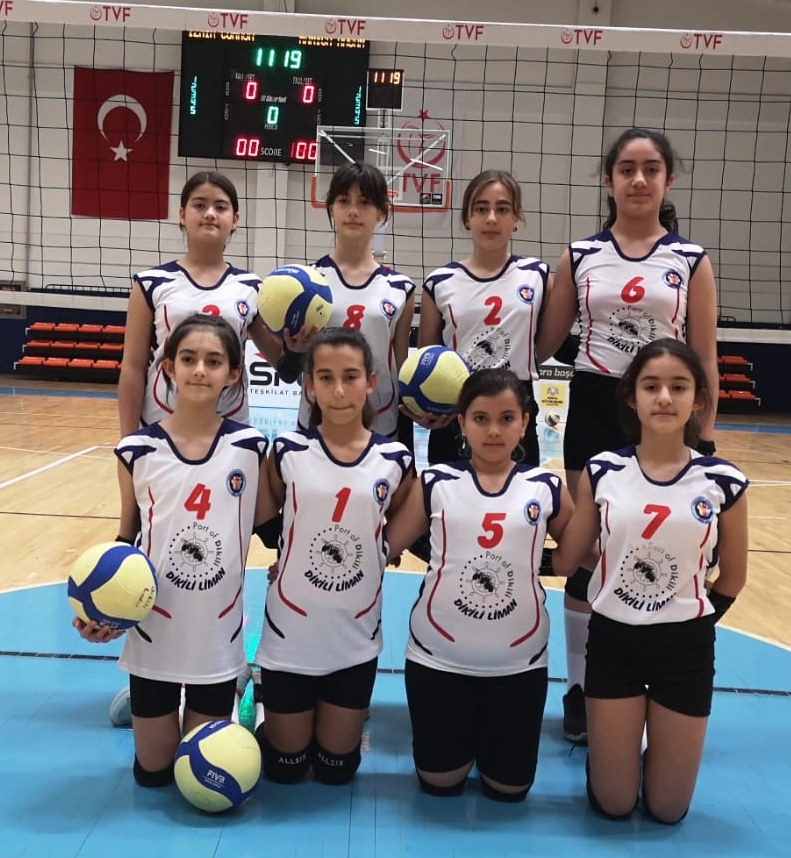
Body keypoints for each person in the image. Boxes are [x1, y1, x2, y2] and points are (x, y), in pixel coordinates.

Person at [538, 128, 721, 743]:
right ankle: (581, 689)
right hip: (596, 406)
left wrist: (705, 439)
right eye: (626, 169)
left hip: (667, 411)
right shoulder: (580, 256)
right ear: (609, 180)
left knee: (649, 549)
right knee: (589, 549)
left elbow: (704, 357)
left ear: (668, 180)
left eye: (650, 169)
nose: (638, 180)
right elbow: (543, 343)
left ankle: (646, 684)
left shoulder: (690, 260)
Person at [73, 314, 280, 787]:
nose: (200, 370)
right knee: (154, 774)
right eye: (188, 358)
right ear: (168, 367)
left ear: (234, 374)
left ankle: (243, 689)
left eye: (214, 361)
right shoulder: (136, 451)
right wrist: (100, 612)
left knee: (200, 774)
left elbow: (273, 530)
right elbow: (125, 543)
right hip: (154, 633)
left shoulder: (250, 447)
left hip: (217, 636)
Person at [551, 337, 748, 824]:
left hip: (686, 651)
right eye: (651, 386)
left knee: (667, 809)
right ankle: (616, 754)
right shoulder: (603, 471)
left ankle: (644, 750)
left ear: (697, 400)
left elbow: (733, 577)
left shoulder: (723, 481)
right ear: (631, 397)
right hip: (613, 643)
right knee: (615, 804)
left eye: (678, 387)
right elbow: (567, 561)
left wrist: (687, 620)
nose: (664, 397)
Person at [384, 368, 575, 802]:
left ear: (525, 423)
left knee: (509, 789)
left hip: (520, 666)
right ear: (461, 423)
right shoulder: (434, 482)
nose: (493, 430)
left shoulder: (546, 486)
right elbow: (385, 547)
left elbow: (581, 554)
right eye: (480, 418)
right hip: (437, 662)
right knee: (440, 783)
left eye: (506, 418)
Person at [254, 327, 414, 786]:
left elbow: (405, 518)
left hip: (354, 639)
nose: (339, 390)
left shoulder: (395, 458)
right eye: (325, 377)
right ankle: (261, 703)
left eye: (350, 376)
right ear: (309, 386)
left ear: (371, 382)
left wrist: (379, 551)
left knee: (335, 770)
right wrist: (290, 555)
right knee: (285, 769)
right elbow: (265, 520)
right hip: (290, 634)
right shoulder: (287, 451)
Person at [117, 170, 288, 437]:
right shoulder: (151, 283)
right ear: (182, 215)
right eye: (199, 205)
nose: (209, 214)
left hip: (230, 426)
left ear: (235, 220)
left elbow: (284, 366)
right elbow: (132, 367)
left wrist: (296, 348)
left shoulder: (253, 287)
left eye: (220, 207)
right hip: (161, 421)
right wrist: (127, 440)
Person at [410, 169, 553, 466]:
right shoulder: (440, 282)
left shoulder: (537, 275)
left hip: (516, 409)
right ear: (467, 218)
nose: (491, 218)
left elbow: (547, 342)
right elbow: (428, 357)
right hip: (457, 411)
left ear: (517, 218)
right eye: (481, 209)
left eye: (502, 209)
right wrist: (426, 407)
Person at [283, 162, 415, 445]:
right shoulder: (305, 281)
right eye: (344, 201)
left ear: (381, 212)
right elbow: (289, 367)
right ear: (331, 208)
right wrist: (294, 352)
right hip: (317, 420)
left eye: (364, 202)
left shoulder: (400, 288)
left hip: (382, 423)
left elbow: (401, 368)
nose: (353, 211)